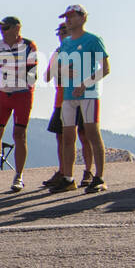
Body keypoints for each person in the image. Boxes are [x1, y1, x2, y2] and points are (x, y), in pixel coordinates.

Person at [47, 5, 110, 194]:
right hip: (68, 95)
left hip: (88, 94)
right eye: (66, 17)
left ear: (83, 18)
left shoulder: (93, 40)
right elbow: (56, 69)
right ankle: (68, 178)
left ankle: (99, 177)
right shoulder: (66, 43)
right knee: (67, 137)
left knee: (92, 134)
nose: (68, 20)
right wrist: (61, 70)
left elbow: (105, 68)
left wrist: (85, 83)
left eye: (72, 16)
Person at [0, 16, 40, 193]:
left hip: (23, 94)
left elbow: (33, 74)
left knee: (19, 134)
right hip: (4, 94)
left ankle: (19, 176)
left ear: (17, 28)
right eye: (1, 29)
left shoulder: (28, 45)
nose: (2, 32)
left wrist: (17, 73)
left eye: (6, 28)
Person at [43, 22, 91, 187]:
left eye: (65, 31)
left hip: (80, 96)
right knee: (61, 137)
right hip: (61, 99)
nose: (61, 35)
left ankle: (89, 171)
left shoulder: (79, 49)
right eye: (59, 32)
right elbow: (47, 76)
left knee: (85, 135)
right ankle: (63, 171)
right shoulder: (57, 52)